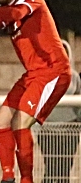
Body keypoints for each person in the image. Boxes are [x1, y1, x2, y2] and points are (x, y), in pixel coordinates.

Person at [0, 0, 72, 183]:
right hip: (34, 74)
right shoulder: (4, 8)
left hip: (54, 71)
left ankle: (26, 180)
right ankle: (8, 177)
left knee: (20, 122)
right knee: (1, 119)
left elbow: (15, 13)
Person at [38, 39, 81, 183]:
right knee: (52, 169)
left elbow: (78, 102)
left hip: (70, 129)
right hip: (48, 129)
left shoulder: (74, 77)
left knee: (65, 169)